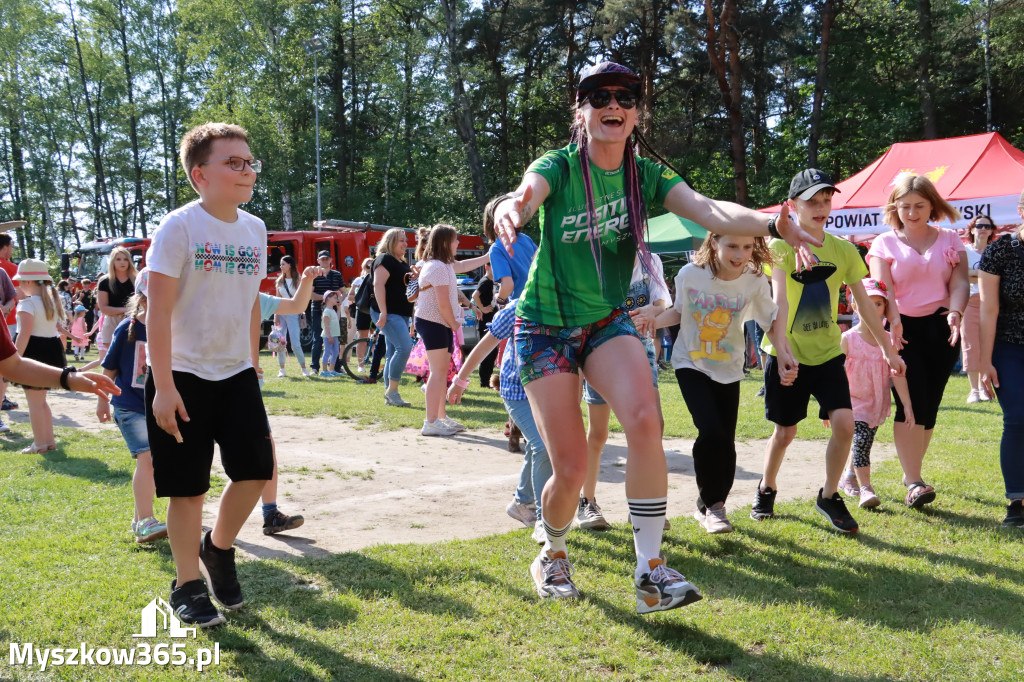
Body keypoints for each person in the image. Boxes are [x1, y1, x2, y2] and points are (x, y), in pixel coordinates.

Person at [493, 62, 819, 610]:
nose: (611, 104)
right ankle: (551, 552)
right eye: (599, 96)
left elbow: (708, 209)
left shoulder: (645, 175)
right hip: (545, 328)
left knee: (647, 421)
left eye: (624, 96)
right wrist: (511, 209)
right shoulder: (562, 166)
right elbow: (526, 192)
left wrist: (771, 224)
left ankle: (651, 572)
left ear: (636, 112)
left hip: (605, 321)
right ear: (583, 109)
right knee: (570, 468)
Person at [146, 122, 273, 627]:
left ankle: (217, 549)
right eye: (234, 162)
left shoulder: (256, 229)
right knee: (188, 488)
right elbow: (156, 312)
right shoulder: (177, 227)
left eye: (250, 162)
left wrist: (253, 359)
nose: (247, 170)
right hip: (183, 374)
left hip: (237, 372)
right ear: (200, 174)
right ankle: (186, 584)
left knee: (255, 471)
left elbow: (248, 305)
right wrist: (164, 386)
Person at [752, 170, 904, 534]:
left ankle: (829, 494)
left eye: (826, 200)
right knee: (785, 432)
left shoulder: (844, 250)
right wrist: (784, 350)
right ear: (792, 207)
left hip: (828, 356)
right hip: (786, 354)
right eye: (812, 201)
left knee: (845, 424)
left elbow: (866, 306)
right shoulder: (780, 247)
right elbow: (778, 302)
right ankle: (767, 487)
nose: (821, 208)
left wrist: (887, 348)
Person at [655, 233, 796, 534]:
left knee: (725, 440)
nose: (740, 254)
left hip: (729, 368)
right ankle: (715, 507)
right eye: (732, 245)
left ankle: (706, 505)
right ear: (714, 242)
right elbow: (678, 311)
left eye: (747, 247)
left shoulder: (754, 280)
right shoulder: (690, 274)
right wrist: (649, 321)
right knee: (710, 430)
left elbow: (768, 321)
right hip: (689, 362)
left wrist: (783, 353)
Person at [867, 174, 968, 509]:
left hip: (941, 328)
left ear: (932, 205)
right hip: (901, 328)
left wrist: (955, 312)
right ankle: (914, 481)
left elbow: (960, 283)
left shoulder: (951, 239)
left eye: (919, 206)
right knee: (910, 403)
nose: (912, 212)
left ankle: (913, 473)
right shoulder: (884, 243)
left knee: (930, 406)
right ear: (895, 207)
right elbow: (884, 289)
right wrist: (893, 320)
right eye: (905, 206)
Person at [577, 252, 671, 532]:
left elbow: (662, 298)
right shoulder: (595, 260)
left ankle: (642, 505)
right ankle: (587, 500)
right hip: (601, 351)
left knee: (653, 427)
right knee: (598, 433)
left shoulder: (650, 260)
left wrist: (655, 310)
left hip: (641, 349)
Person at [449, 296, 550, 544]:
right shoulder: (518, 308)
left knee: (539, 448)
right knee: (542, 445)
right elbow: (483, 346)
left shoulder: (566, 305)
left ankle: (521, 502)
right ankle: (544, 521)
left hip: (548, 389)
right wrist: (459, 381)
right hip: (517, 391)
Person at [95, 269, 167, 543]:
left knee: (153, 462)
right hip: (128, 406)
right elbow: (109, 369)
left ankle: (139, 521)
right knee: (146, 459)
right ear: (142, 297)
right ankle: (147, 520)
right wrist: (103, 399)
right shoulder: (129, 328)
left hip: (155, 408)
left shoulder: (171, 327)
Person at [256, 264, 324, 535]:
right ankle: (190, 521)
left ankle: (270, 513)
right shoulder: (202, 295)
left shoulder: (254, 298)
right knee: (202, 459)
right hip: (203, 385)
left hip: (242, 387)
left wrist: (306, 279)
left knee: (264, 449)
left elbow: (296, 305)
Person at [836, 279, 914, 509]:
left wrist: (907, 405)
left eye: (878, 304)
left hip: (877, 403)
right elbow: (837, 377)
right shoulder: (848, 339)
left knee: (864, 441)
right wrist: (830, 406)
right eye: (865, 302)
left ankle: (848, 476)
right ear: (854, 305)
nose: (872, 308)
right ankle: (866, 489)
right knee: (861, 442)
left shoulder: (890, 340)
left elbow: (897, 374)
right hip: (852, 403)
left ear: (886, 308)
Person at [978, 190, 1024, 527]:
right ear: (1021, 210)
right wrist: (984, 360)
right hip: (1009, 346)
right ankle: (1017, 502)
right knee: (1018, 419)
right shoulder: (1000, 251)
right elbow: (988, 309)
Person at [415, 224, 470, 436]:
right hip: (434, 322)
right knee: (437, 374)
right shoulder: (437, 266)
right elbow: (443, 304)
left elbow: (465, 264)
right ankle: (430, 422)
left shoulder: (443, 265)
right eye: (455, 239)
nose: (458, 243)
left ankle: (440, 417)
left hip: (440, 323)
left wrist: (490, 255)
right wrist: (455, 323)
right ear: (445, 242)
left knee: (440, 373)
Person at [368, 230, 416, 405]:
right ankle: (392, 391)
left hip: (400, 313)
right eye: (401, 241)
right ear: (390, 242)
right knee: (404, 348)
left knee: (391, 353)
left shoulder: (401, 262)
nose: (405, 244)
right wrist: (383, 312)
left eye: (406, 240)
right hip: (389, 313)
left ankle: (390, 394)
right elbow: (378, 284)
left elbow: (408, 291)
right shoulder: (384, 259)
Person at [962, 215, 997, 403]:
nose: (982, 229)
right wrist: (984, 275)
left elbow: (998, 277)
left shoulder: (995, 250)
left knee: (989, 346)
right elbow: (960, 275)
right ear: (972, 229)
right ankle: (974, 390)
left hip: (992, 302)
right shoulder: (965, 251)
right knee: (970, 345)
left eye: (987, 226)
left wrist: (974, 274)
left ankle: (985, 388)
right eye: (979, 225)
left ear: (992, 231)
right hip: (969, 301)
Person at [96, 246, 138, 359]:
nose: (122, 262)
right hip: (112, 321)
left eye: (125, 259)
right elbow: (104, 308)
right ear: (112, 261)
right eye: (118, 259)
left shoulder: (137, 279)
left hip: (133, 321)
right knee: (113, 360)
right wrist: (125, 310)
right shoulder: (105, 281)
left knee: (131, 358)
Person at [273, 255, 310, 377]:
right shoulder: (280, 280)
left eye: (283, 264)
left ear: (290, 265)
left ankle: (304, 368)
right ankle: (282, 369)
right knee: (280, 342)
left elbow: (302, 296)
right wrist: (276, 316)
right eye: (280, 264)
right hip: (282, 312)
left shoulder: (298, 279)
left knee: (295, 343)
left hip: (293, 313)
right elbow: (277, 299)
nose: (281, 267)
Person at [309, 251, 344, 376]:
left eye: (327, 258)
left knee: (335, 339)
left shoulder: (337, 274)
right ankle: (315, 367)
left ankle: (336, 368)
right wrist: (326, 298)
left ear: (331, 260)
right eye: (322, 259)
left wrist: (339, 300)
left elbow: (344, 291)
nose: (325, 261)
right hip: (318, 310)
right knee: (317, 338)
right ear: (318, 261)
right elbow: (310, 294)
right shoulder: (314, 275)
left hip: (333, 311)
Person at [0, 233, 20, 415]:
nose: (11, 250)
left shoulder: (3, 272)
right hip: (11, 322)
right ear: (5, 247)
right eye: (11, 246)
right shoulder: (13, 268)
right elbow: (19, 294)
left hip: (6, 321)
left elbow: (12, 297)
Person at [472, 262, 499, 387]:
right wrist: (482, 308)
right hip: (485, 321)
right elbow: (475, 295)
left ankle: (487, 380)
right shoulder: (485, 281)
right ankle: (484, 382)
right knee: (486, 352)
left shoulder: (493, 282)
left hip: (492, 320)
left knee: (493, 351)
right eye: (493, 265)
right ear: (486, 267)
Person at [319, 291, 343, 378]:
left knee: (336, 352)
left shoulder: (332, 310)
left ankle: (331, 370)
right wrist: (329, 336)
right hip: (328, 336)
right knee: (327, 352)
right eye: (335, 298)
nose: (337, 299)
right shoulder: (327, 311)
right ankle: (324, 371)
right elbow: (326, 325)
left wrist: (339, 309)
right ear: (328, 298)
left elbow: (337, 318)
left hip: (334, 335)